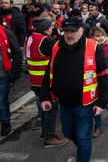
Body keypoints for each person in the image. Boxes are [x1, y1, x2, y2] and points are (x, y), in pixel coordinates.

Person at [40, 17, 108, 162]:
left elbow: (103, 76)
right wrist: (45, 96)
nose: (69, 35)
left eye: (73, 31)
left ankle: (83, 154)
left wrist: (102, 102)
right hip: (64, 103)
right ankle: (84, 150)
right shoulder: (56, 46)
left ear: (81, 30)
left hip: (85, 105)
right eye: (66, 31)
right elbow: (49, 72)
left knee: (83, 139)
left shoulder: (94, 47)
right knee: (69, 133)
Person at [24, 17, 69, 147]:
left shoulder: (31, 37)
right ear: (47, 28)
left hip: (34, 80)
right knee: (51, 108)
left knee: (44, 107)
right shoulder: (46, 40)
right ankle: (49, 137)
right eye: (51, 26)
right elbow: (61, 52)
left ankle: (45, 131)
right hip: (45, 81)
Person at [0, 23, 22, 137]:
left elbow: (17, 52)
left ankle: (5, 123)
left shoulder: (6, 32)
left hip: (3, 74)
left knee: (2, 101)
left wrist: (14, 72)